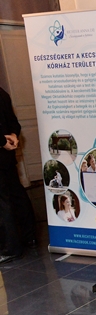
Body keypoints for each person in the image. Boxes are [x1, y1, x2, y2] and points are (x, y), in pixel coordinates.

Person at [0, 87, 37, 262]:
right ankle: (30, 237)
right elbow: (13, 123)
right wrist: (14, 135)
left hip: (2, 151)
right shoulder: (2, 93)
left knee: (3, 201)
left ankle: (11, 248)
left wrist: (2, 142)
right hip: (6, 157)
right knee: (16, 194)